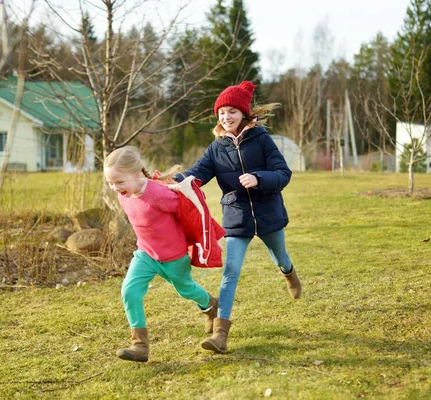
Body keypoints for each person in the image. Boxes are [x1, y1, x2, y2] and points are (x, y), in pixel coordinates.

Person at [172, 81, 302, 354]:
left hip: (268, 214)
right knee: (230, 273)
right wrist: (173, 180)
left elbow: (283, 173)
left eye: (231, 111)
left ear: (244, 113)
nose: (226, 117)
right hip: (236, 216)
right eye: (221, 112)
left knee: (280, 258)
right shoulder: (217, 147)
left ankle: (289, 273)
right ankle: (221, 335)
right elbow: (198, 172)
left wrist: (258, 178)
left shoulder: (263, 139)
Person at [103, 146, 219, 363]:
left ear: (137, 175)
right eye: (110, 183)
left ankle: (211, 305)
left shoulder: (157, 194)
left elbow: (185, 208)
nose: (115, 188)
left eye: (119, 182)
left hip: (174, 255)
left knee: (186, 289)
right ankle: (140, 345)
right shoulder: (124, 196)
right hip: (145, 254)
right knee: (129, 291)